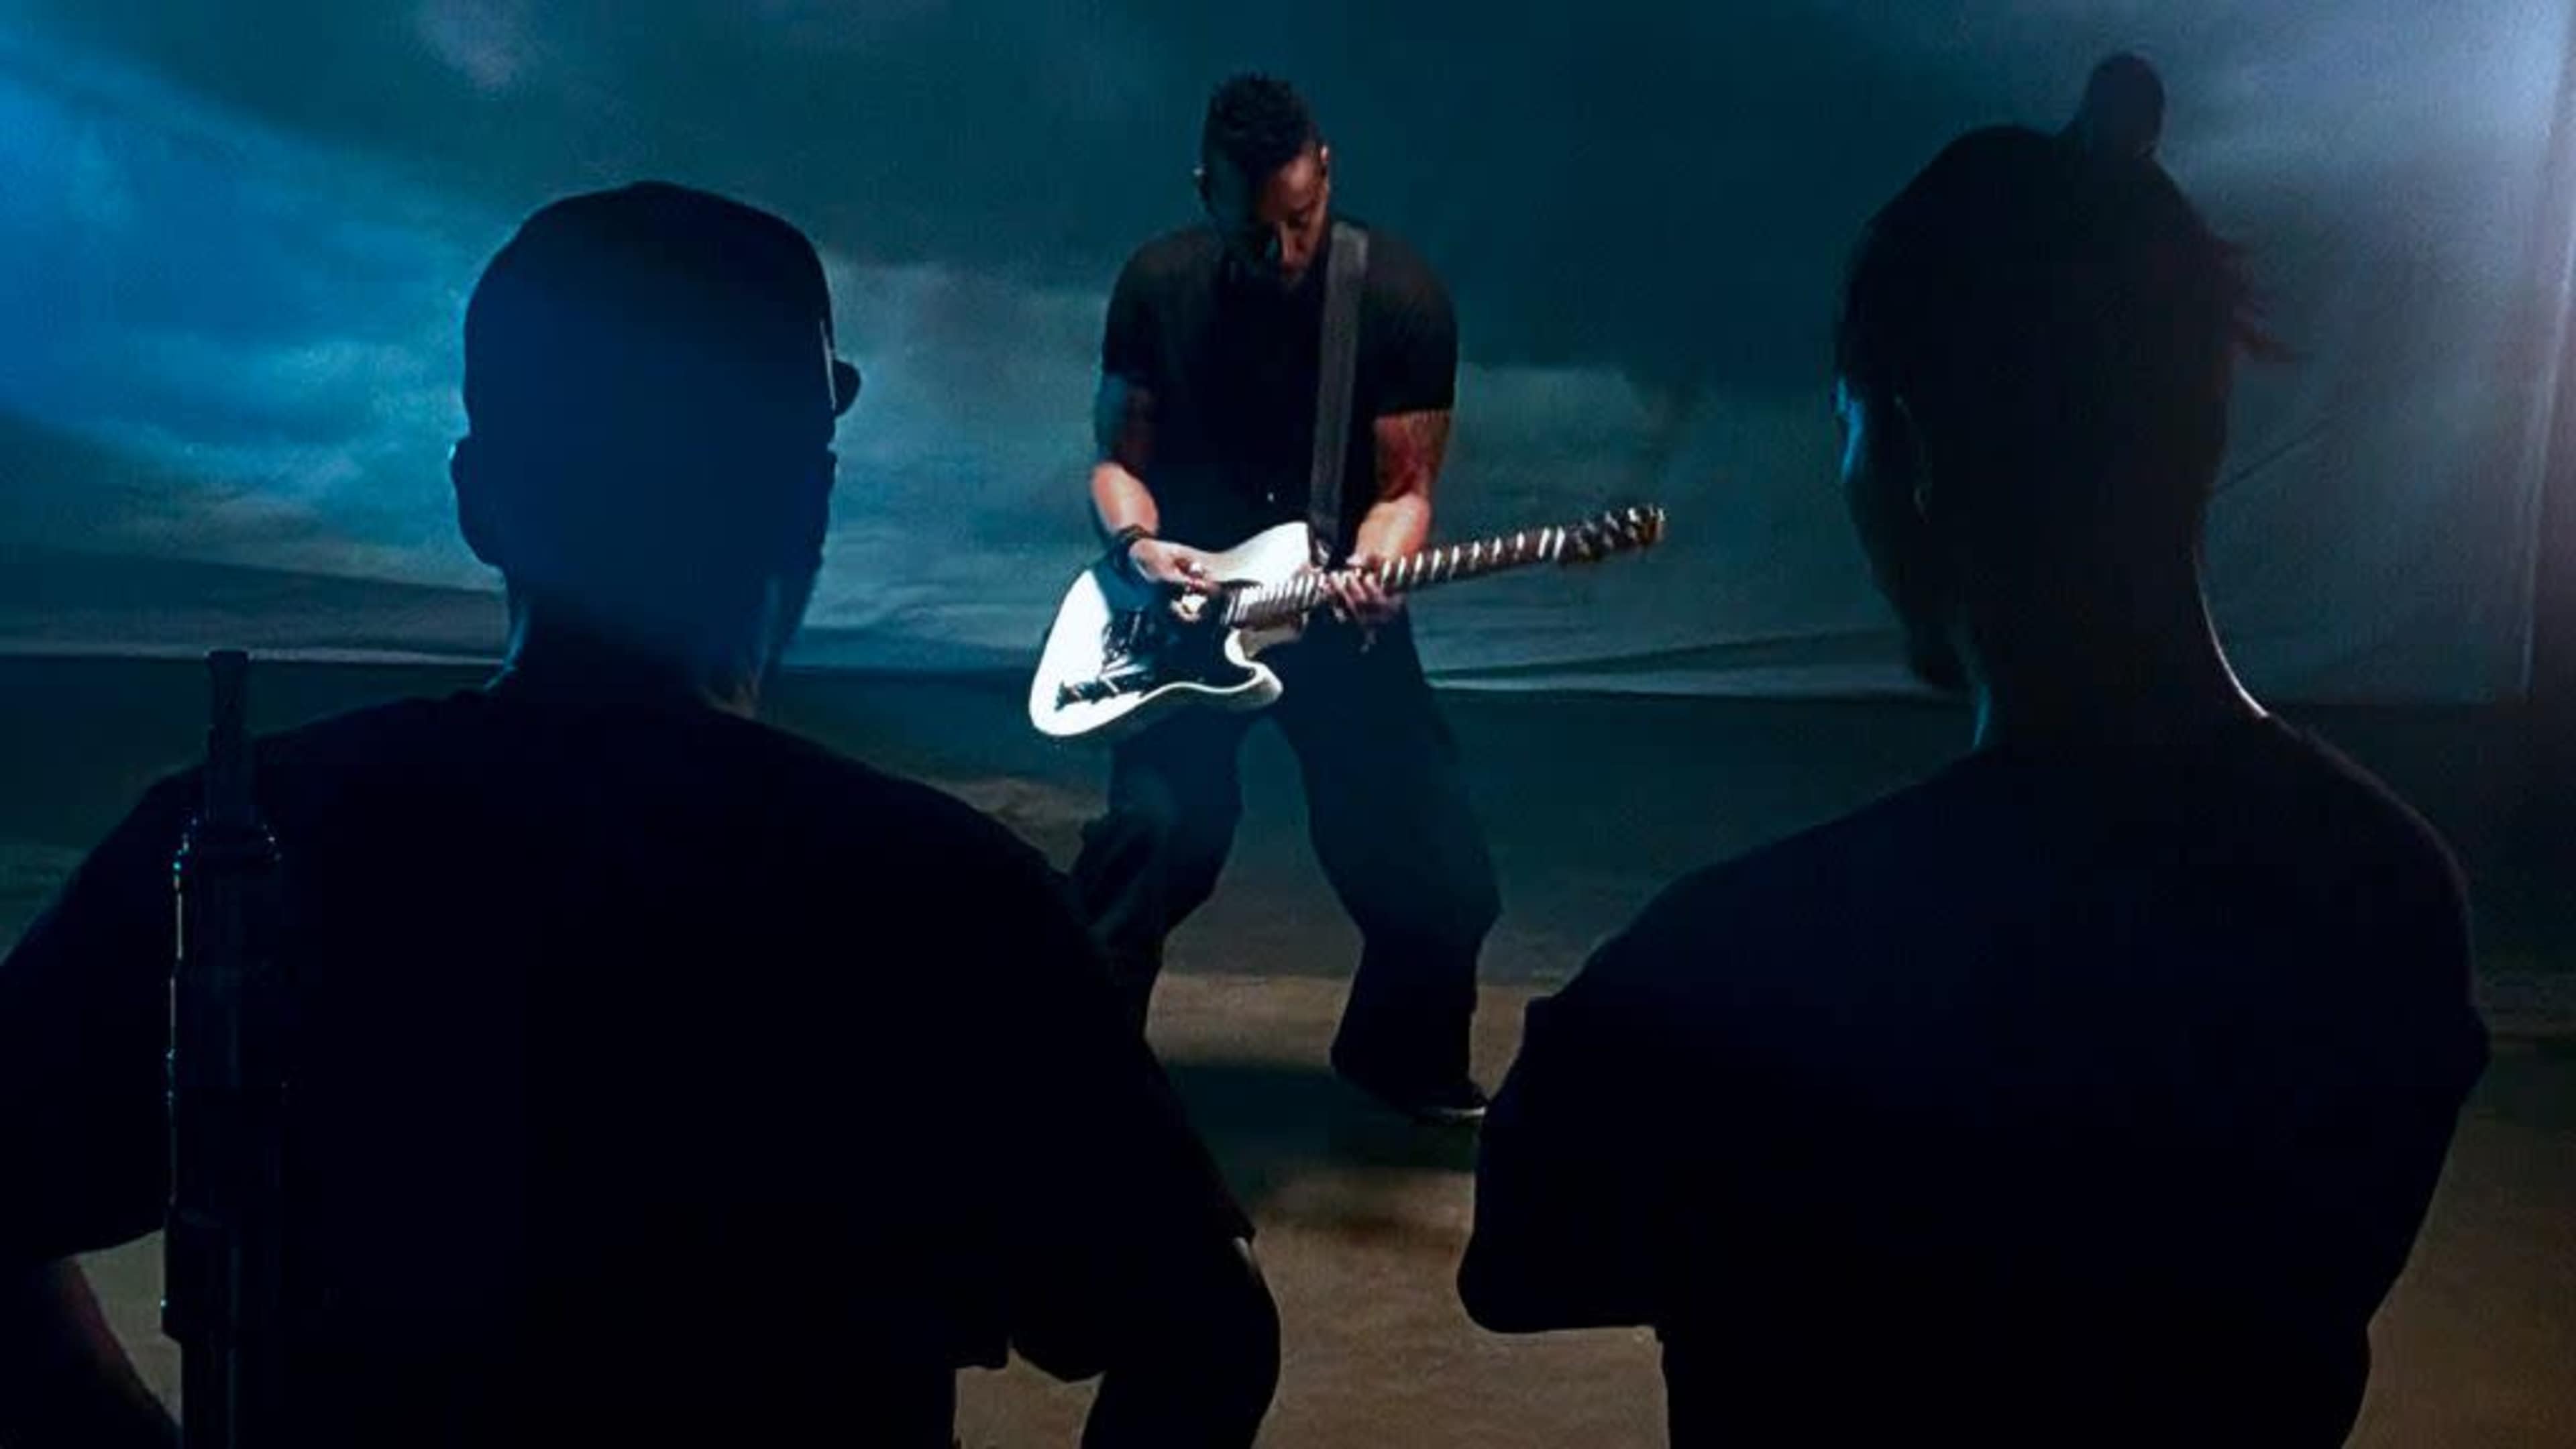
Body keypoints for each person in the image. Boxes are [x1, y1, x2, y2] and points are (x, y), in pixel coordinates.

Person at [0, 182, 1277, 1448]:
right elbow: (1207, 1335)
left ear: (478, 498)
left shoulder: (242, 839)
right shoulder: (942, 896)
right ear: (809, 505)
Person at [1459, 56, 2489, 1446]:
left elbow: (1522, 1260)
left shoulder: (1743, 964)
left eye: (1847, 427)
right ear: (2195, 428)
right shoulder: (2395, 901)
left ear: (1917, 450)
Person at [1074, 73, 1500, 1122]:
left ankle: (1397, 1056)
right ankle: (1075, 1075)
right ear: (1205, 194)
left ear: (1326, 171)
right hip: (1189, 620)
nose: (1287, 252)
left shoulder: (1397, 298)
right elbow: (1114, 462)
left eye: (1302, 220)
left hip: (1327, 614)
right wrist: (1138, 546)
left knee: (1439, 878)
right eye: (1257, 231)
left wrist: (1372, 567)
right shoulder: (1156, 286)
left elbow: (1406, 489)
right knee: (1153, 850)